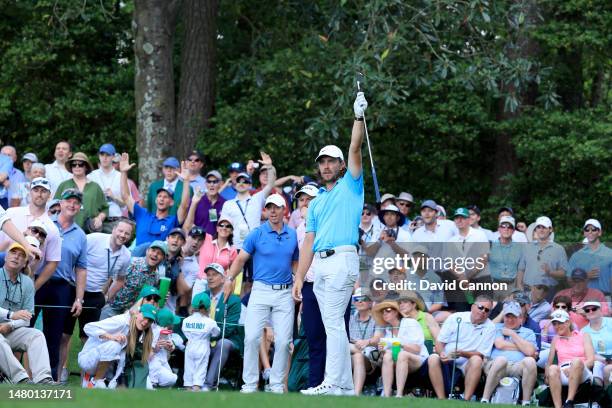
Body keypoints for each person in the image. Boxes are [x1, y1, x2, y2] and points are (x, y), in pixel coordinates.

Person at [293, 91, 368, 396]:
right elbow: (308, 241)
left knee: (334, 323)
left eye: (331, 161)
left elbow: (355, 147)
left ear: (340, 165)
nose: (326, 166)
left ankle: (332, 382)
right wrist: (299, 277)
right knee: (330, 323)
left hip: (342, 258)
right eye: (322, 162)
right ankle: (346, 386)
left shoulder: (351, 185)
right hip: (321, 264)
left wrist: (358, 117)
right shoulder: (317, 201)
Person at [224, 192, 298, 394]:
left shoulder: (293, 234)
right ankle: (249, 384)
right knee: (251, 338)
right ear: (265, 211)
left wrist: (298, 281)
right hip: (260, 290)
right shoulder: (257, 233)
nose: (273, 211)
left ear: (285, 210)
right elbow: (240, 260)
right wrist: (229, 279)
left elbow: (295, 263)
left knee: (283, 341)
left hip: (284, 293)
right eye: (269, 207)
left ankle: (275, 384)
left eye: (277, 207)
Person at [34, 188, 87, 381]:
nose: (72, 205)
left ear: (79, 207)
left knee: (54, 336)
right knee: (25, 326)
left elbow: (81, 269)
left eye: (76, 202)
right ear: (61, 203)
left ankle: (49, 378)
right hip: (38, 281)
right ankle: (16, 375)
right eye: (68, 201)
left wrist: (79, 298)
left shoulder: (81, 235)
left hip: (62, 287)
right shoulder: (45, 224)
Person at [0, 242, 54, 384]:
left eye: (21, 255)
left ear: (25, 263)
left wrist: (10, 325)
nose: (16, 257)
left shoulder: (27, 283)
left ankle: (43, 379)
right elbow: (17, 315)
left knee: (36, 334)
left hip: (10, 329)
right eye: (13, 253)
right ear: (5, 257)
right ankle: (21, 379)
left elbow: (27, 318)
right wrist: (11, 315)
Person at [427, 295, 496, 400]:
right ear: (473, 307)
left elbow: (482, 354)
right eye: (481, 307)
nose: (483, 311)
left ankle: (466, 400)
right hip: (448, 357)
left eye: (487, 310)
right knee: (433, 358)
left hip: (467, 362)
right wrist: (442, 354)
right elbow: (440, 342)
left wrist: (463, 353)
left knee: (477, 360)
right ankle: (441, 399)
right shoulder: (455, 317)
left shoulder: (490, 326)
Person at [119, 153, 191, 248]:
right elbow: (126, 196)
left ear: (171, 202)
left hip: (159, 260)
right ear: (156, 200)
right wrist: (123, 173)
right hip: (138, 260)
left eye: (165, 197)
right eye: (159, 196)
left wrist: (186, 181)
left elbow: (184, 206)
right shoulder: (142, 214)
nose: (161, 199)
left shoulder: (172, 220)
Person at [0, 177, 60, 291]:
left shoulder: (52, 228)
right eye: (36, 190)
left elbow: (53, 263)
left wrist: (34, 288)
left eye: (43, 191)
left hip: (26, 281)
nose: (39, 194)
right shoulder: (11, 213)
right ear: (30, 192)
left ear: (49, 195)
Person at [78, 303, 157, 389]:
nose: (146, 322)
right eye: (145, 317)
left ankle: (106, 382)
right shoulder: (121, 321)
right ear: (138, 313)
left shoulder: (144, 332)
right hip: (88, 360)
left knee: (148, 387)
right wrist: (111, 336)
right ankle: (96, 381)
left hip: (110, 365)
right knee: (115, 345)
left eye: (150, 320)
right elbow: (88, 327)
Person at [480, 301, 538, 405]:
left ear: (520, 318)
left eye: (513, 317)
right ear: (504, 317)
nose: (510, 320)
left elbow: (530, 352)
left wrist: (512, 334)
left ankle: (526, 402)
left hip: (518, 366)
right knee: (501, 359)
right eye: (507, 317)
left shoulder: (528, 332)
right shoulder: (497, 327)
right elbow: (500, 345)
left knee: (530, 361)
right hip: (496, 364)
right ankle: (485, 399)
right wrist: (522, 347)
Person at [372, 300, 428, 397]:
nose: (384, 313)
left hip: (418, 359)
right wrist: (383, 351)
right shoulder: (387, 330)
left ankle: (399, 394)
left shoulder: (410, 323)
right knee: (388, 355)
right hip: (398, 361)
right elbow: (390, 354)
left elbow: (417, 349)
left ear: (397, 311)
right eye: (383, 311)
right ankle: (386, 393)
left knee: (402, 355)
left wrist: (398, 343)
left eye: (388, 310)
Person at [202, 262, 242, 390]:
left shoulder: (233, 300)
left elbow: (229, 328)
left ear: (223, 279)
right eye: (208, 275)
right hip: (202, 339)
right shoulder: (201, 297)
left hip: (224, 340)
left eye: (214, 275)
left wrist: (209, 337)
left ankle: (208, 385)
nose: (210, 278)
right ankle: (190, 382)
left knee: (223, 343)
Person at [102, 241, 168, 318]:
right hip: (112, 308)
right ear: (147, 251)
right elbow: (111, 278)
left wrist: (160, 296)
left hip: (130, 315)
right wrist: (103, 298)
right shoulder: (132, 263)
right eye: (153, 250)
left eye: (159, 253)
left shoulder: (156, 276)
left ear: (163, 258)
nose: (155, 254)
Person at [545, 309, 595, 408]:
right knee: (552, 368)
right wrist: (547, 375)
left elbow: (591, 360)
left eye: (560, 323)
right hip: (563, 371)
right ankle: (558, 406)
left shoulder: (583, 335)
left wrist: (573, 367)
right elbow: (549, 363)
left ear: (568, 322)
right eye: (554, 324)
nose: (557, 326)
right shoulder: (555, 339)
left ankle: (569, 402)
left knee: (576, 361)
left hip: (582, 370)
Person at [53, 152, 108, 232]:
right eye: (74, 164)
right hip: (65, 229)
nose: (77, 166)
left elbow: (105, 209)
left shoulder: (95, 187)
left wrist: (99, 218)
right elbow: (54, 207)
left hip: (90, 231)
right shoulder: (64, 185)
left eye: (81, 164)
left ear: (86, 167)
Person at [182, 292, 220, 391]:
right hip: (203, 346)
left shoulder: (186, 320)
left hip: (190, 345)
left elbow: (184, 331)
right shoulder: (210, 322)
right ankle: (196, 391)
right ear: (208, 307)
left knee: (189, 370)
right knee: (200, 370)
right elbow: (216, 333)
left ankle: (188, 391)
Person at [519, 216, 569, 290]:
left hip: (548, 291)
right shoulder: (527, 248)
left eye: (544, 227)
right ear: (535, 230)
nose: (541, 230)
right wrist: (519, 287)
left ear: (550, 229)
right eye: (538, 227)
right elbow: (521, 269)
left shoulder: (559, 249)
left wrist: (551, 272)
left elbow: (564, 273)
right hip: (528, 290)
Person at [88, 143, 125, 232]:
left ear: (113, 157)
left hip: (115, 219)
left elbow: (126, 204)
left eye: (108, 155)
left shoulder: (120, 176)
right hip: (96, 219)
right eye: (102, 154)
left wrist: (114, 197)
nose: (104, 158)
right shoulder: (91, 176)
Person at [568, 219, 611, 296]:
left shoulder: (610, 253)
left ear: (599, 232)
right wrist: (585, 276)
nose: (590, 232)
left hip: (605, 298)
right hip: (582, 298)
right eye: (587, 229)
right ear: (584, 233)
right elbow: (569, 280)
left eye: (593, 229)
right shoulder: (576, 255)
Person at [348, 288, 378, 396]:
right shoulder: (349, 318)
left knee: (358, 356)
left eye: (363, 298)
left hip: (371, 358)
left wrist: (366, 342)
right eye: (356, 299)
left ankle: (356, 393)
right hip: (350, 355)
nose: (360, 301)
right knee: (356, 355)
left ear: (370, 302)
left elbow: (377, 339)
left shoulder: (377, 318)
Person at [486, 215, 526, 295]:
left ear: (514, 230)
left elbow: (521, 270)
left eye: (510, 226)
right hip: (493, 288)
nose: (506, 229)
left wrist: (520, 290)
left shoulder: (520, 248)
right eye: (503, 226)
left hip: (512, 289)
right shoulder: (489, 245)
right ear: (499, 229)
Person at [581, 301, 612, 387]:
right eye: (587, 310)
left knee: (607, 369)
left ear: (600, 310)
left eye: (594, 309)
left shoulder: (610, 322)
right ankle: (599, 394)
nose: (591, 311)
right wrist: (597, 358)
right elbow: (584, 351)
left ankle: (607, 395)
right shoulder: (583, 331)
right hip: (598, 360)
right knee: (597, 367)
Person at [148, 308, 180, 388]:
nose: (173, 325)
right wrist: (155, 348)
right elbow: (150, 353)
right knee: (155, 366)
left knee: (172, 379)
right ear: (167, 323)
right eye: (171, 323)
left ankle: (155, 384)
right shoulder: (154, 330)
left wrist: (170, 347)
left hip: (163, 360)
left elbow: (171, 347)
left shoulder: (166, 332)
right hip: (153, 362)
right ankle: (152, 383)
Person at [193, 170, 226, 236]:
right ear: (205, 183)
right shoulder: (197, 200)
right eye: (209, 181)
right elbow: (189, 223)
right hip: (198, 241)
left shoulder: (225, 203)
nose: (211, 184)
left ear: (221, 184)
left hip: (216, 242)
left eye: (215, 182)